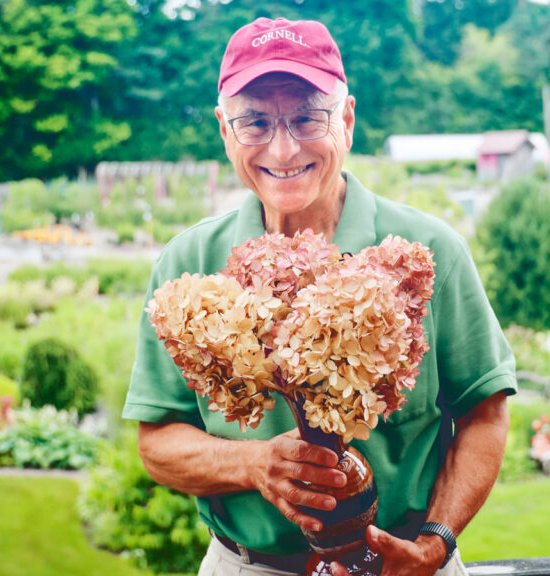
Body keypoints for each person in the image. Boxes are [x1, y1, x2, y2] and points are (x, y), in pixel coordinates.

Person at [123, 16, 517, 576]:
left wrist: (435, 542)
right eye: (254, 122)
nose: (283, 149)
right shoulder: (188, 265)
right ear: (224, 131)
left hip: (405, 567)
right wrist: (254, 462)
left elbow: (486, 411)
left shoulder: (428, 252)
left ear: (347, 120)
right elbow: (156, 440)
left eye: (308, 117)